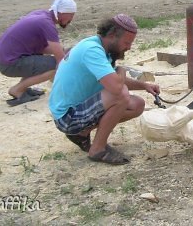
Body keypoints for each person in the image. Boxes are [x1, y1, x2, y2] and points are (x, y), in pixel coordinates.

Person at [49, 14, 160, 165]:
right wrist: (121, 70)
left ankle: (82, 133)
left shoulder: (102, 48)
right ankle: (98, 149)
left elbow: (113, 79)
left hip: (78, 108)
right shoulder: (92, 50)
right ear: (113, 35)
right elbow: (116, 86)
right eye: (127, 42)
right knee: (121, 95)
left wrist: (144, 86)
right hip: (68, 117)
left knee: (137, 104)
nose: (129, 47)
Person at [0, 0, 77, 106]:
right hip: (9, 64)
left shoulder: (41, 15)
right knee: (55, 67)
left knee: (40, 56)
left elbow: (40, 48)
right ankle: (17, 90)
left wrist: (62, 51)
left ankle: (23, 88)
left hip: (3, 60)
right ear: (62, 12)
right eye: (71, 15)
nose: (71, 19)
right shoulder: (47, 24)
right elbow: (61, 61)